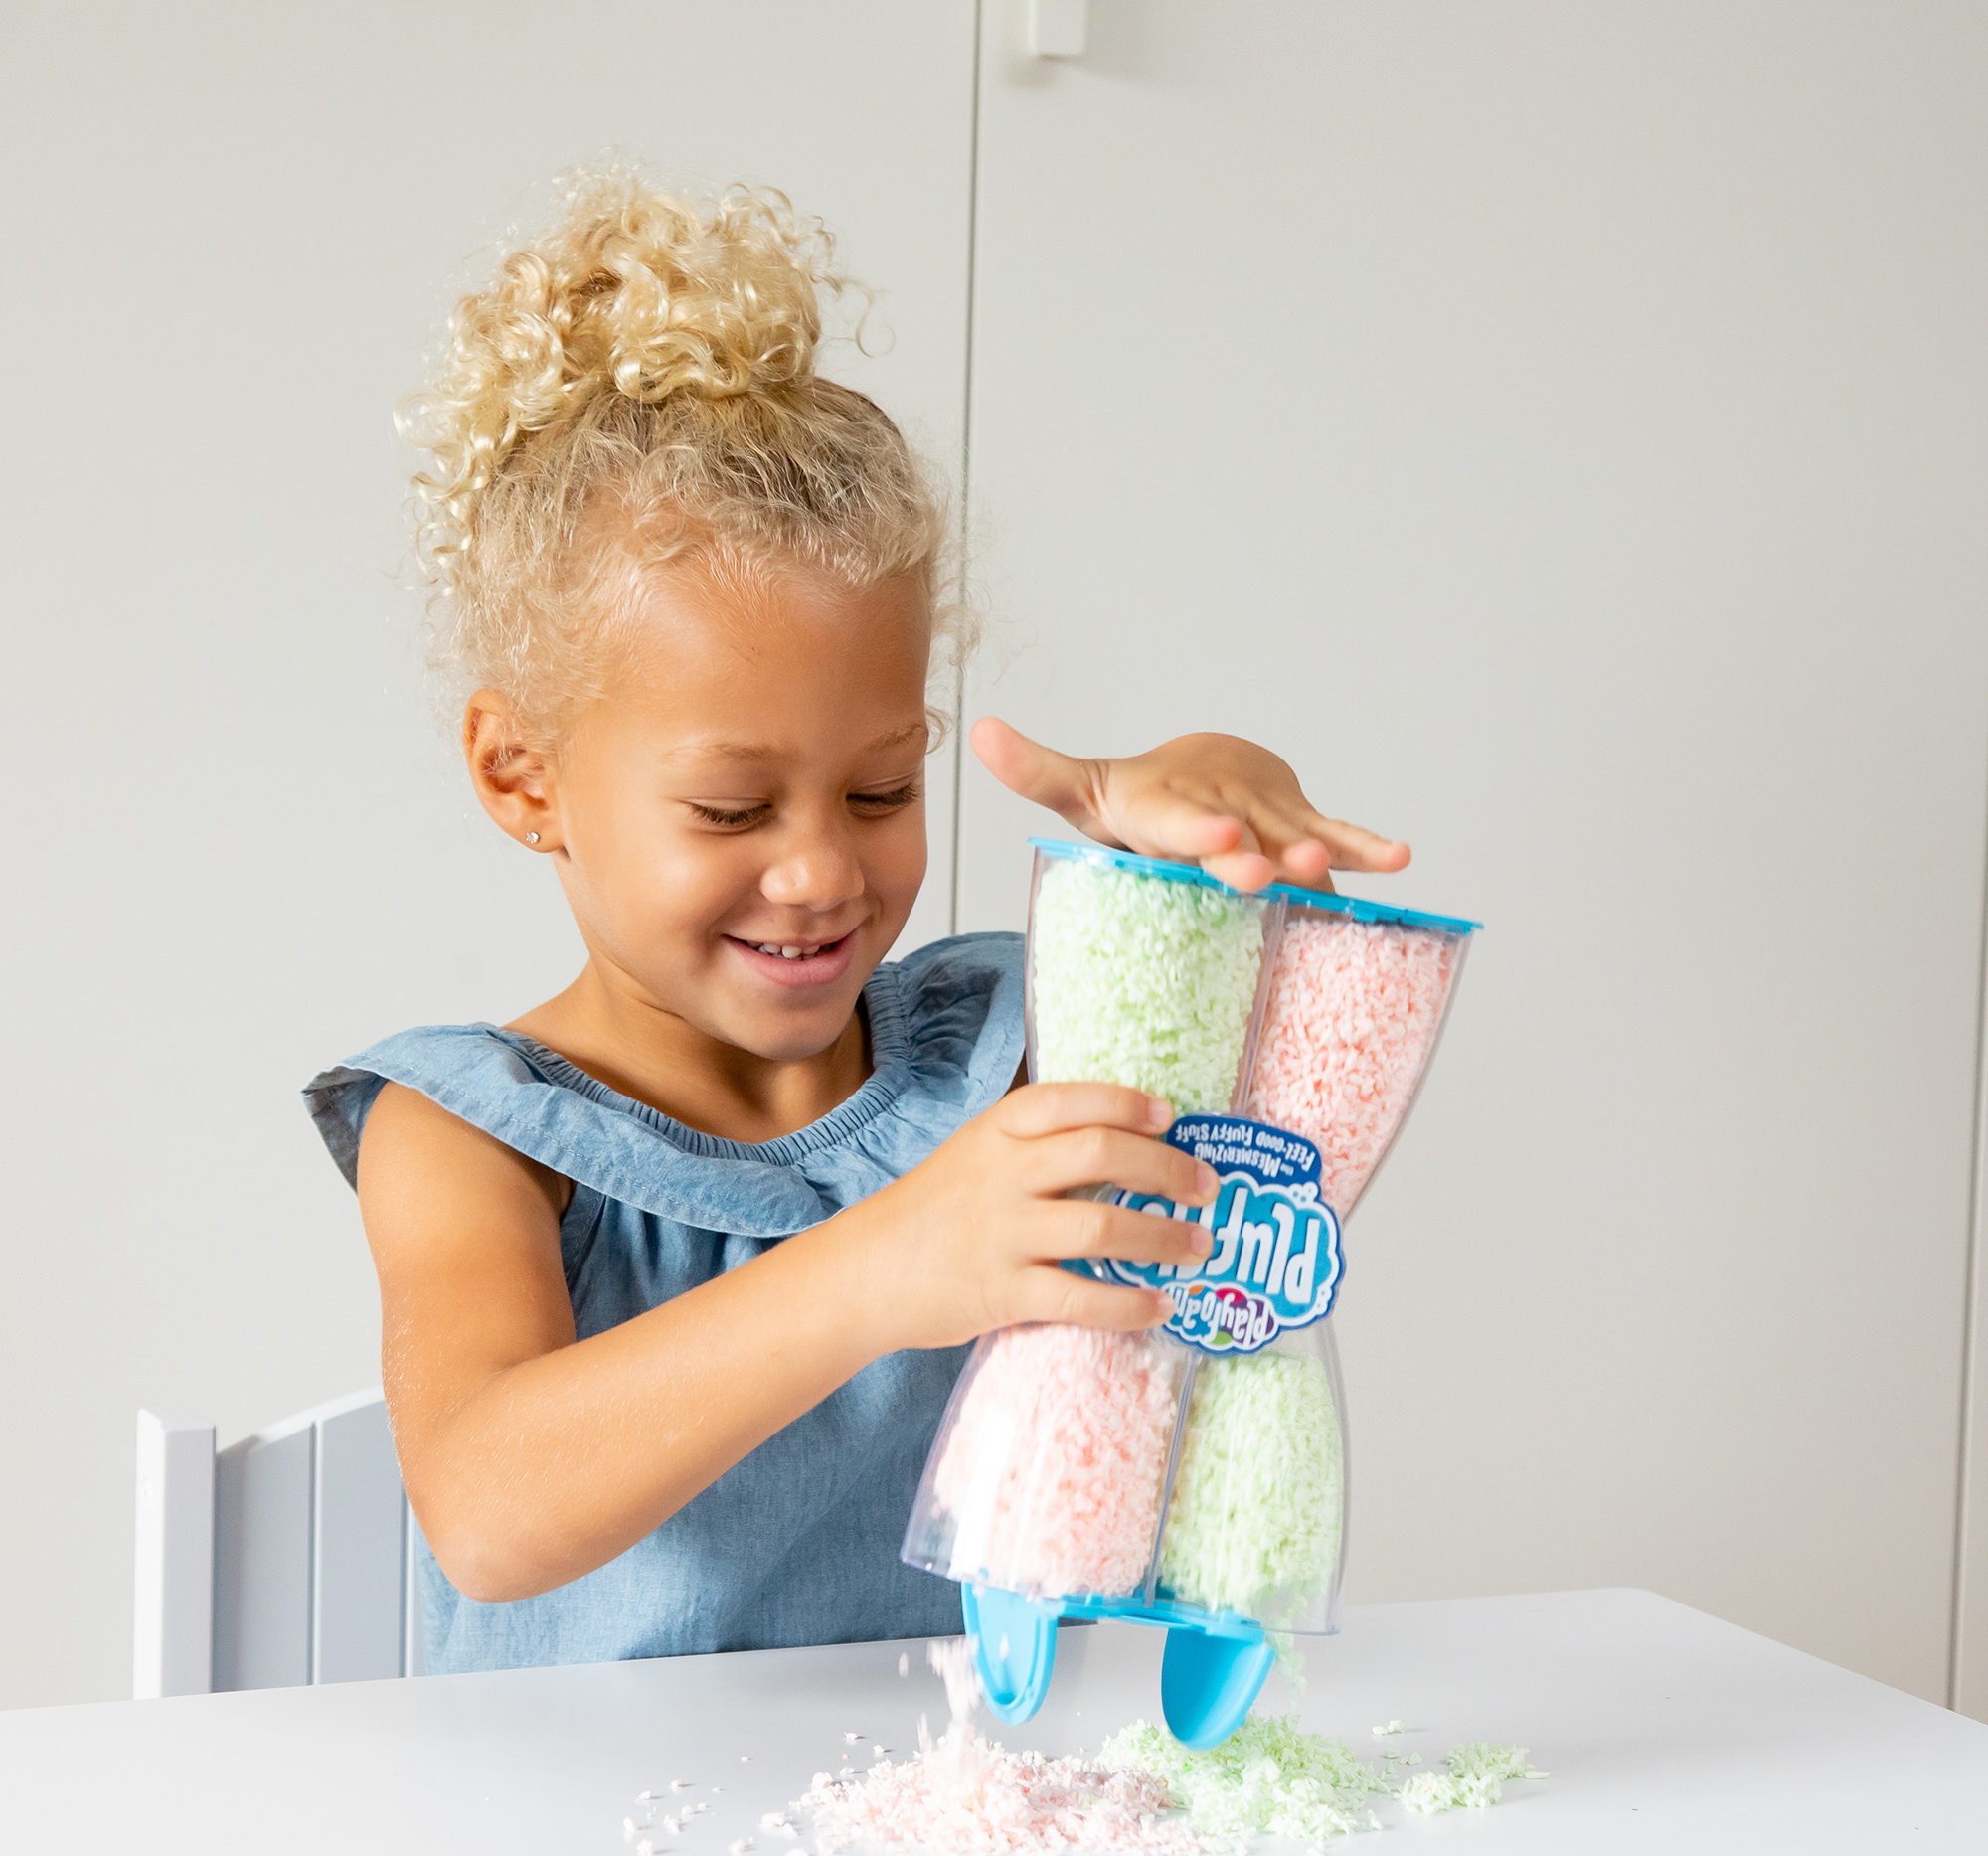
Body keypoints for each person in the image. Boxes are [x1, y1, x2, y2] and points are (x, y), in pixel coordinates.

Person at [305, 170, 1409, 1674]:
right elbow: (490, 1514)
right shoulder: (473, 1134)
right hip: (589, 1824)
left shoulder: (999, 1055)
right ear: (523, 776)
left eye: (882, 788)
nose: (822, 871)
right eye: (732, 809)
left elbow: (1268, 1068)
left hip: (977, 1798)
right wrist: (886, 1267)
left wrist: (1225, 816)